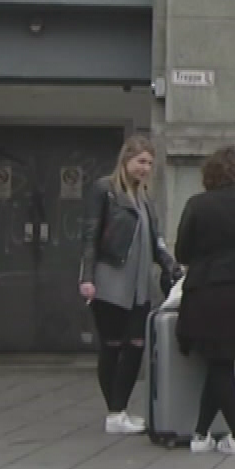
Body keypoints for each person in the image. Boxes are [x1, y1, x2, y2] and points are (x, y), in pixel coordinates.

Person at [172, 146, 235, 454]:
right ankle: (201, 435)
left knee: (218, 362)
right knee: (223, 362)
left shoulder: (197, 205)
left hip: (210, 289)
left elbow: (183, 251)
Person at [78, 136, 179, 435]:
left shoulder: (145, 198)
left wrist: (169, 263)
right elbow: (90, 233)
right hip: (110, 278)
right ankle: (115, 411)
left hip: (139, 283)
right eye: (140, 162)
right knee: (111, 346)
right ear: (126, 161)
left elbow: (155, 238)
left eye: (149, 163)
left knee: (136, 345)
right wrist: (87, 276)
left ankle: (120, 408)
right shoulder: (105, 191)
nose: (145, 169)